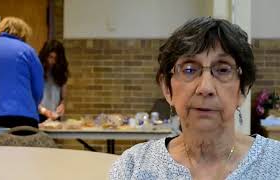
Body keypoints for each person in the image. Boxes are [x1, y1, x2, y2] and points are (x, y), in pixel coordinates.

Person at [110, 17, 280, 179]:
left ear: (243, 89)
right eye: (189, 69)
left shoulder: (275, 163)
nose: (205, 88)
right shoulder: (133, 166)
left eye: (222, 70)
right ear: (167, 88)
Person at [38, 40, 69, 123]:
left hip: (54, 116)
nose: (53, 62)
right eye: (50, 57)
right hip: (38, 115)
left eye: (56, 58)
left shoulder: (61, 71)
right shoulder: (37, 70)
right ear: (45, 56)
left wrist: (62, 105)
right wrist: (44, 111)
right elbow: (30, 98)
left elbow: (62, 98)